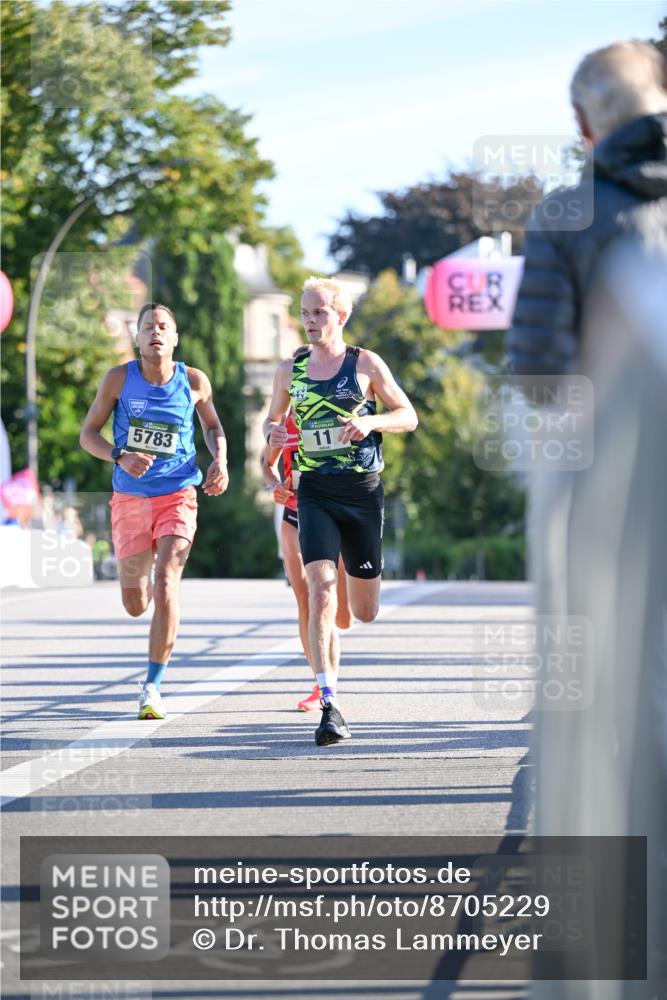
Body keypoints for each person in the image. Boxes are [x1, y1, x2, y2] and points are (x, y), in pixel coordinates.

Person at [508, 41, 667, 995]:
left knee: (619, 701)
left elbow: (536, 372)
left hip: (621, 500)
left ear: (582, 125)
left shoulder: (568, 213)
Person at [263, 277, 418, 746]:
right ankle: (330, 704)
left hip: (363, 493)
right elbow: (273, 420)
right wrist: (272, 438)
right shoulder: (291, 369)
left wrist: (370, 420)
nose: (310, 322)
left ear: (340, 316)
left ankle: (352, 598)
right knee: (320, 591)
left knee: (363, 612)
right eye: (305, 314)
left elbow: (407, 415)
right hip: (314, 492)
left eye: (319, 313)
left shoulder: (365, 363)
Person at [80, 302, 229, 720]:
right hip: (130, 496)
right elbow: (87, 435)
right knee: (134, 603)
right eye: (148, 327)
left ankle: (153, 686)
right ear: (138, 337)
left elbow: (213, 426)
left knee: (166, 582)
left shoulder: (194, 380)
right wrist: (119, 455)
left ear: (175, 337)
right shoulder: (118, 379)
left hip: (179, 492)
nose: (156, 333)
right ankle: (141, 575)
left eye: (164, 326)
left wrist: (220, 459)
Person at [261, 392, 353, 712]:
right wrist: (275, 486)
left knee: (341, 614)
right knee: (308, 599)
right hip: (294, 514)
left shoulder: (336, 416)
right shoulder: (284, 425)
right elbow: (267, 464)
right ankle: (322, 684)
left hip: (333, 516)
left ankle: (327, 666)